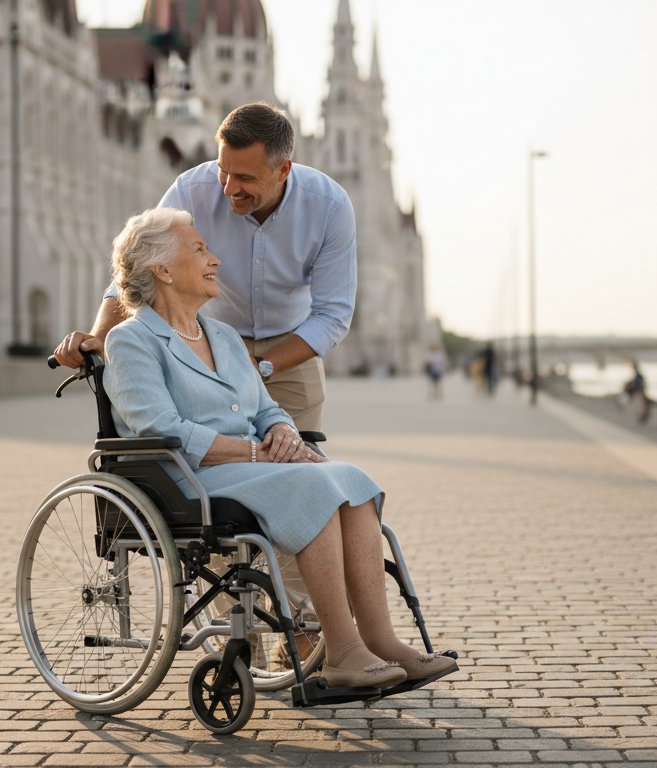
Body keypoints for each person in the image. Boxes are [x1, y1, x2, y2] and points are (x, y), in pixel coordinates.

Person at [102, 208, 456, 689]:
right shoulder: (131, 341)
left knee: (349, 479)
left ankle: (380, 639)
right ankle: (343, 651)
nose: (216, 260)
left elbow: (265, 407)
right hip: (189, 478)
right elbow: (163, 429)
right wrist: (255, 453)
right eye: (200, 249)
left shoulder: (222, 335)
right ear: (162, 270)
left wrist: (283, 433)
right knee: (311, 485)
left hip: (250, 468)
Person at [55, 102, 355, 434]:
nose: (228, 188)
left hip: (291, 352)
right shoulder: (192, 189)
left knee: (298, 457)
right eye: (224, 171)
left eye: (244, 178)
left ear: (283, 170)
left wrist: (263, 366)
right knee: (217, 458)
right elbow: (140, 263)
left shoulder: (331, 207)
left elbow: (332, 314)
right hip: (208, 345)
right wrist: (99, 336)